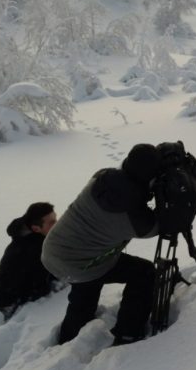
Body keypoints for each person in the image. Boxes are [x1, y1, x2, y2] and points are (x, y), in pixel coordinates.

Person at [41, 143, 163, 346]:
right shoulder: (136, 220)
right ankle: (128, 334)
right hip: (81, 263)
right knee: (144, 273)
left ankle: (68, 338)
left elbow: (125, 191)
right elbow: (160, 226)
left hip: (52, 249)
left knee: (86, 288)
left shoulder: (102, 177)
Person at [0, 202, 58, 320]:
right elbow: (43, 281)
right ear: (36, 228)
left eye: (56, 219)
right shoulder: (34, 249)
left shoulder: (28, 232)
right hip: (13, 301)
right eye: (52, 222)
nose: (57, 224)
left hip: (13, 290)